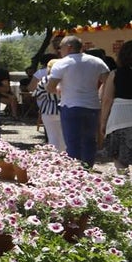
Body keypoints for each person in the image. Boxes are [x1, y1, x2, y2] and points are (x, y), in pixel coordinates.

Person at [48, 36, 109, 166]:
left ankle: (75, 173)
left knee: (72, 142)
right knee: (89, 141)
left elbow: (50, 87)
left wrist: (59, 90)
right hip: (92, 105)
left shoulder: (62, 63)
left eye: (61, 48)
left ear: (69, 47)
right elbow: (108, 82)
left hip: (71, 105)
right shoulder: (97, 61)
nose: (60, 51)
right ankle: (88, 169)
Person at [100, 39, 132, 173]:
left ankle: (124, 186)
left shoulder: (115, 74)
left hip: (120, 118)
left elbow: (107, 99)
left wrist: (103, 122)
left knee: (120, 158)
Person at [34, 58, 65, 152]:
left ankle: (54, 157)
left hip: (48, 110)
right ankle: (65, 158)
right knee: (64, 137)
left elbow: (37, 95)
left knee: (52, 137)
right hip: (64, 108)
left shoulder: (44, 79)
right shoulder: (66, 79)